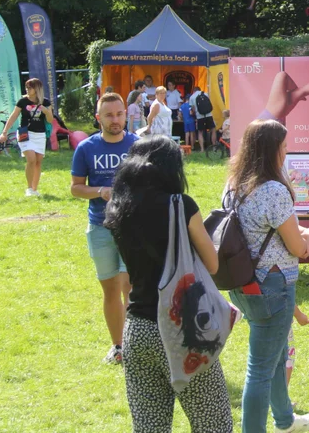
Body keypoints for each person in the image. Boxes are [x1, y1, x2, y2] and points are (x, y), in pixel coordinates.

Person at [102, 136, 232, 432]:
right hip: (181, 327)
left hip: (136, 327)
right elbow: (212, 264)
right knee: (213, 423)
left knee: (149, 426)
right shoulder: (180, 205)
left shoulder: (119, 208)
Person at [225, 119, 309, 433]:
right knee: (261, 369)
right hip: (274, 285)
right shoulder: (274, 191)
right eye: (284, 145)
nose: (287, 150)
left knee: (274, 356)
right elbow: (298, 247)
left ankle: (285, 420)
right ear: (272, 150)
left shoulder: (234, 186)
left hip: (243, 283)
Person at [70, 92, 138, 364]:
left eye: (120, 114)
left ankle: (136, 346)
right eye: (109, 115)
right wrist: (100, 191)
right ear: (98, 118)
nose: (116, 120)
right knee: (110, 290)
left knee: (129, 286)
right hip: (100, 227)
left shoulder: (137, 145)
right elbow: (75, 188)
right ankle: (119, 346)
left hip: (132, 227)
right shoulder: (86, 148)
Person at [1, 78, 53, 197]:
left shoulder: (45, 102)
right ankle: (29, 188)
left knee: (38, 161)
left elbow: (50, 120)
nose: (27, 89)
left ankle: (35, 189)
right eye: (26, 87)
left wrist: (46, 111)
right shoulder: (22, 101)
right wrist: (5, 132)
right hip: (26, 133)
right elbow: (13, 116)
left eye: (30, 87)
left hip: (40, 134)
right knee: (31, 159)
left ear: (37, 88)